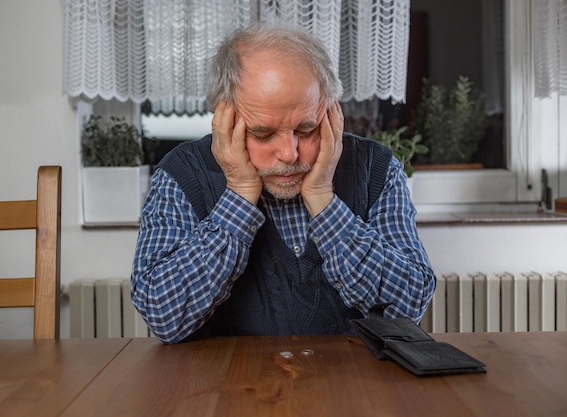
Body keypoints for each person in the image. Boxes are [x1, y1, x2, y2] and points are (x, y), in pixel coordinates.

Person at [131, 23, 436, 344]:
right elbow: (162, 316)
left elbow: (407, 309)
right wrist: (238, 195)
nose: (289, 154)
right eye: (262, 133)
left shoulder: (376, 168)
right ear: (225, 119)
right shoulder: (182, 174)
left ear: (331, 112)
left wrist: (323, 200)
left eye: (306, 129)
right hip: (222, 388)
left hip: (352, 387)